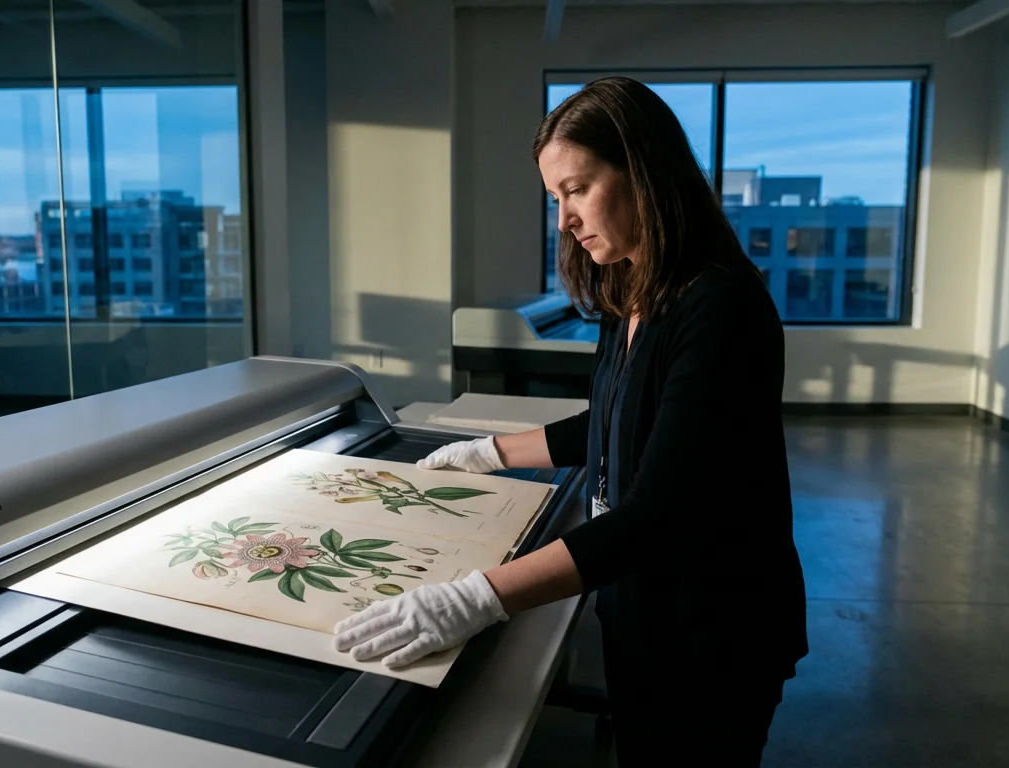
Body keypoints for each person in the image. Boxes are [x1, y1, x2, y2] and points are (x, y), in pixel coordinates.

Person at [333, 76, 808, 766]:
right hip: (644, 608)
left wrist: (476, 599)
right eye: (555, 198)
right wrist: (485, 453)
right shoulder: (633, 289)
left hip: (713, 629)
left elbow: (656, 516)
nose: (563, 219)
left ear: (645, 173)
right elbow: (613, 423)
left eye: (577, 190)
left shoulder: (720, 309)